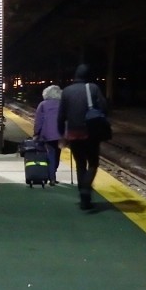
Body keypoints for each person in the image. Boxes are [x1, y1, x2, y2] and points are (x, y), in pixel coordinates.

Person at [57, 64, 108, 210]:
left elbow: (61, 116)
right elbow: (104, 108)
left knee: (80, 164)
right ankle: (86, 190)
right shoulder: (93, 88)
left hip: (73, 133)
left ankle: (82, 195)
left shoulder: (66, 91)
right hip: (91, 133)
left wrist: (61, 134)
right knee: (93, 163)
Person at [33, 84, 63, 185]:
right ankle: (53, 173)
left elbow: (38, 121)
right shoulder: (62, 104)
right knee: (57, 153)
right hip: (60, 134)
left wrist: (36, 133)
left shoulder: (43, 104)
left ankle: (52, 178)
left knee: (51, 154)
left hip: (48, 134)